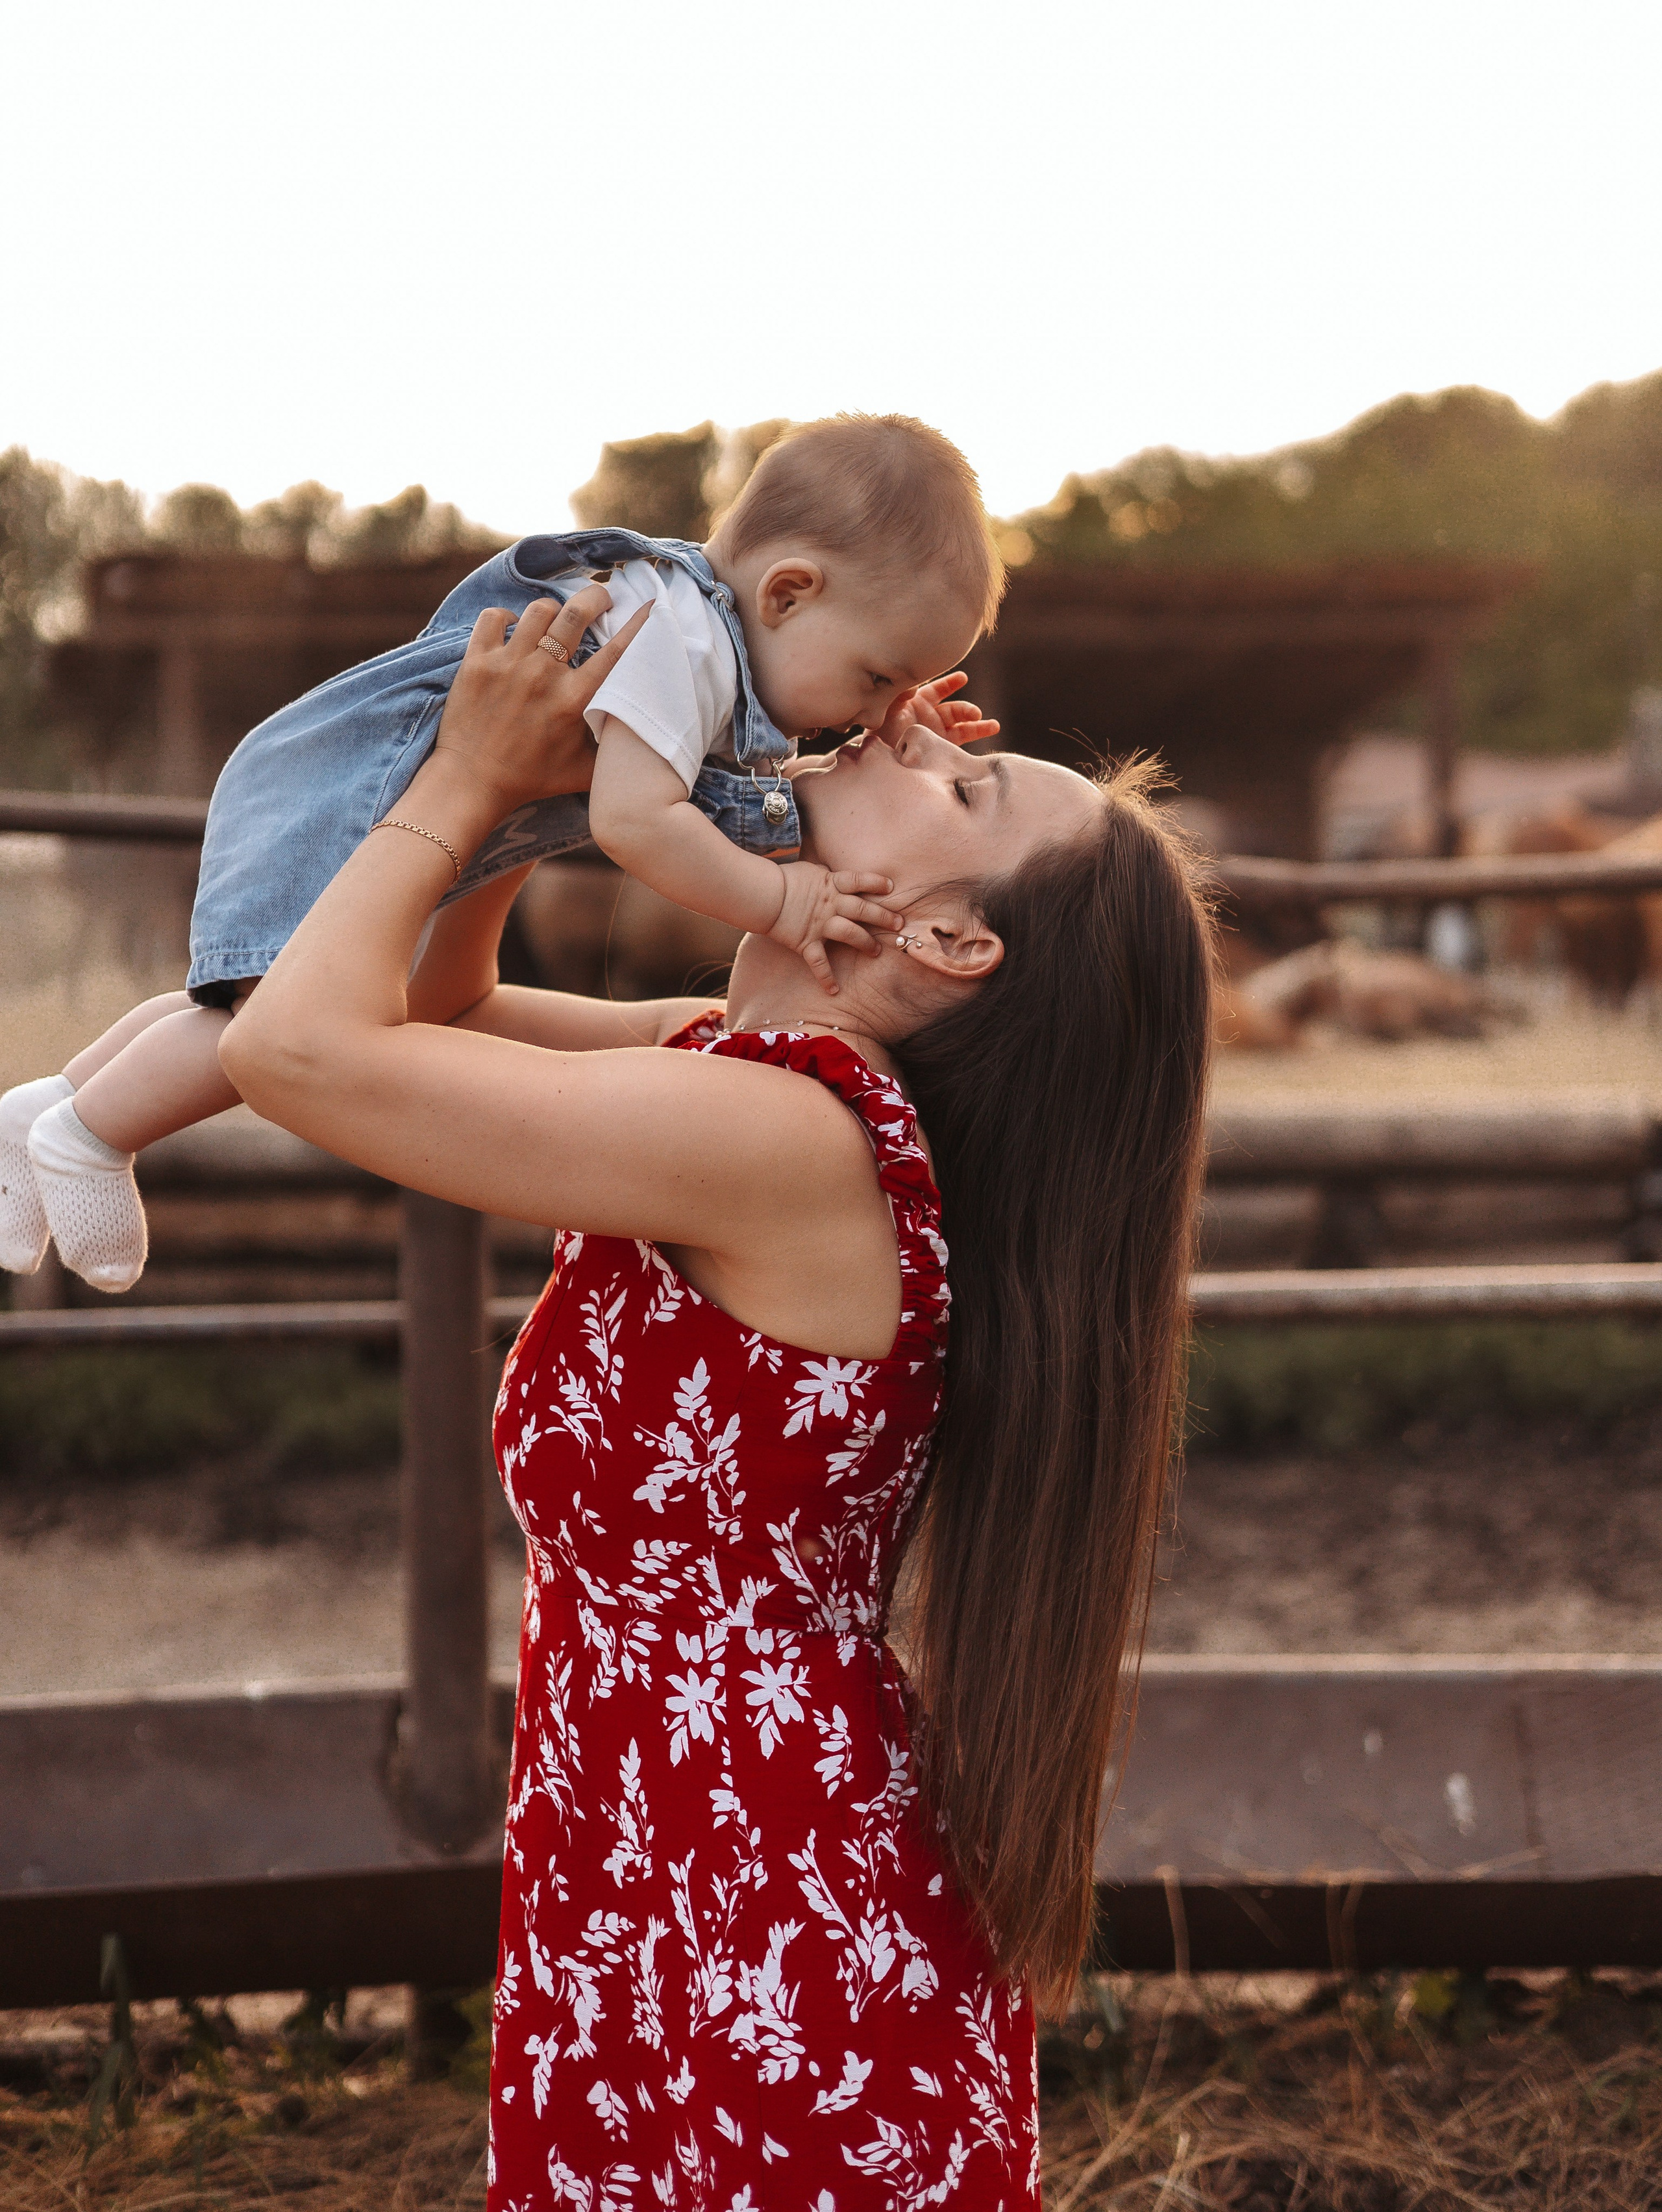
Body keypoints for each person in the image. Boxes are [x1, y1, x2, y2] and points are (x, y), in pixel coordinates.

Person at [220, 590, 1215, 2207]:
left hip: (761, 1918)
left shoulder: (790, 1147)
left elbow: (303, 1055)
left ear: (947, 939)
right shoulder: (736, 1081)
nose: (905, 724)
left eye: (965, 786)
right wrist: (558, 794)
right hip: (660, 1870)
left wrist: (465, 776)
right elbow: (440, 1014)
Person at [0, 416, 1000, 1296]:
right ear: (786, 592)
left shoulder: (711, 646)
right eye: (875, 676)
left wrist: (867, 721)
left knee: (230, 998)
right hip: (358, 790)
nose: (877, 716)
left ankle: (53, 1106)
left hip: (357, 785)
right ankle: (95, 1136)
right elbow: (639, 824)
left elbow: (727, 790)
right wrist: (783, 906)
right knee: (262, 1009)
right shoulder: (680, 639)